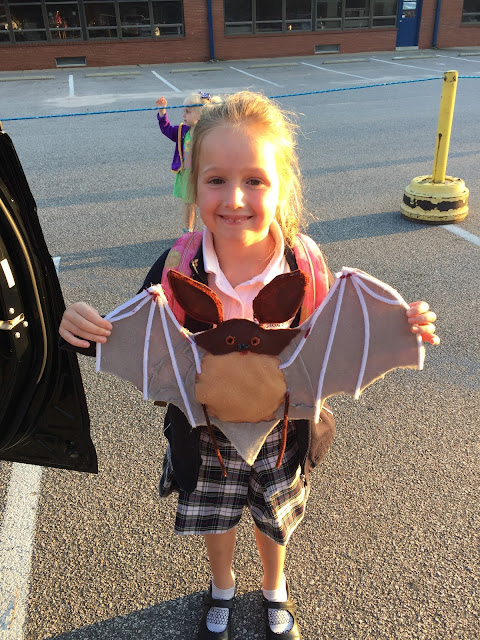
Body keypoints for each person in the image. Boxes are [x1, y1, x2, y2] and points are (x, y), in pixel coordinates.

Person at [59, 91, 439, 640]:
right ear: (193, 185)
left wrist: (402, 325)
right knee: (216, 517)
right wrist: (82, 326)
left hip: (282, 429)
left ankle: (273, 585)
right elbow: (134, 335)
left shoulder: (304, 264)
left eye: (255, 180)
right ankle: (222, 584)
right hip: (204, 430)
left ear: (281, 185)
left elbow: (334, 334)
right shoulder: (177, 265)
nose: (234, 198)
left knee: (273, 517)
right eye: (216, 179)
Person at [156, 91, 216, 234]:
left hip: (203, 175)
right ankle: (188, 231)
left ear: (200, 115)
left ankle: (213, 228)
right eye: (184, 111)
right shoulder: (182, 131)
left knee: (209, 202)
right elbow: (167, 129)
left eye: (188, 112)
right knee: (189, 203)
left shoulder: (208, 133)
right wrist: (162, 112)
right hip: (187, 175)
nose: (183, 115)